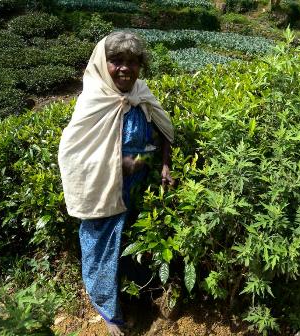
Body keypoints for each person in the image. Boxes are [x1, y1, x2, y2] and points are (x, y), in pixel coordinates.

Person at [58, 31, 174, 336]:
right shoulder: (93, 100)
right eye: (117, 60)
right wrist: (117, 164)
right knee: (101, 250)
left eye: (133, 61)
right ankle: (107, 310)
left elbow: (165, 131)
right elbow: (73, 154)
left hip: (139, 189)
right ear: (102, 62)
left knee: (137, 246)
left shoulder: (141, 94)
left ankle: (144, 297)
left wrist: (163, 165)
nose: (126, 68)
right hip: (105, 191)